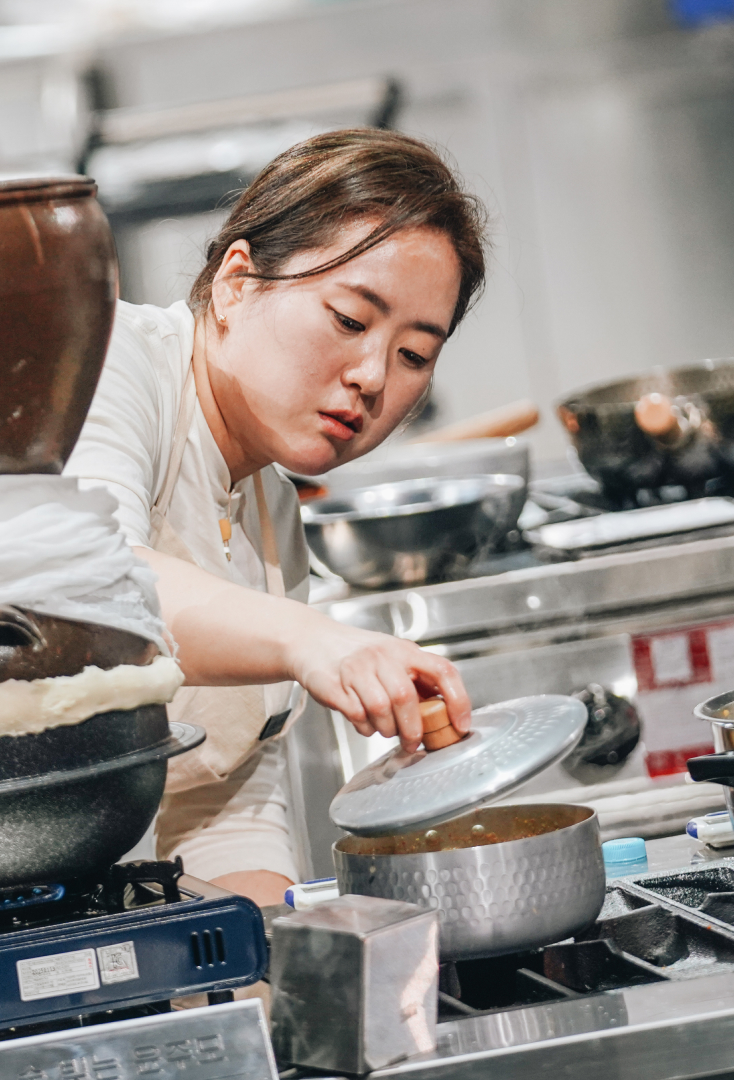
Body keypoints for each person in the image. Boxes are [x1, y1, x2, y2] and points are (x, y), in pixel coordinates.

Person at [65, 128, 489, 906]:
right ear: (235, 283)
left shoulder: (271, 514)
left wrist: (276, 971)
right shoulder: (105, 361)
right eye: (352, 320)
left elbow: (220, 792)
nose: (371, 378)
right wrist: (315, 641)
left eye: (414, 355)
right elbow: (90, 588)